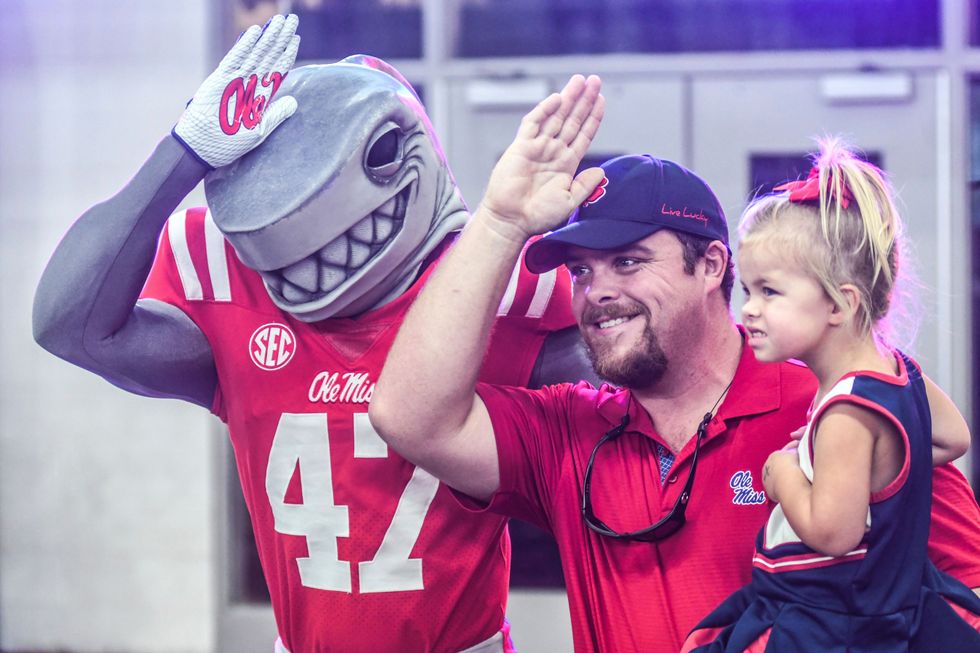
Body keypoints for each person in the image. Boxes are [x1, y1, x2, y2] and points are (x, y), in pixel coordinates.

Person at [32, 14, 596, 653]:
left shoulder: (498, 291)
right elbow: (67, 325)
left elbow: (650, 421)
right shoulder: (237, 294)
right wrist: (183, 152)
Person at [369, 75, 980, 652]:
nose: (595, 291)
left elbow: (967, 599)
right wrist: (502, 224)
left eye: (628, 262)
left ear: (712, 266)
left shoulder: (836, 402)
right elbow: (409, 415)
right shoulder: (567, 431)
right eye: (580, 270)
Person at [679, 140, 980, 651]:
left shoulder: (845, 409)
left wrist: (785, 475)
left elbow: (833, 534)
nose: (748, 309)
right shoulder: (895, 370)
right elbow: (952, 437)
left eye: (769, 292)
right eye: (748, 291)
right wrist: (874, 467)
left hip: (830, 623)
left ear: (840, 304)